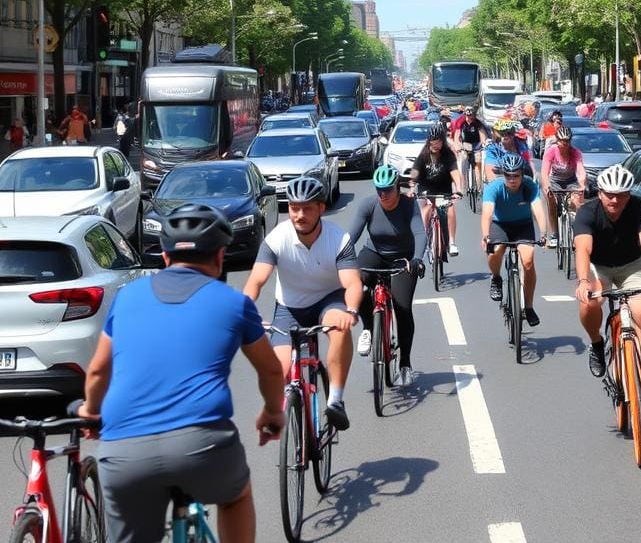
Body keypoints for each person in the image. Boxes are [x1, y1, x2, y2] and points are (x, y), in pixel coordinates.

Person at [79, 204, 285, 543]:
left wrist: (90, 411)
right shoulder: (234, 303)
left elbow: (99, 369)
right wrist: (273, 411)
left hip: (127, 453)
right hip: (202, 446)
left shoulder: (127, 297)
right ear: (220, 257)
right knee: (237, 496)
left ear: (163, 255)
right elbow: (271, 371)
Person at [243, 175, 362, 431]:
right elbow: (255, 281)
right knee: (278, 370)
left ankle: (335, 402)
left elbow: (352, 283)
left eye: (307, 208)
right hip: (289, 308)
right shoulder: (277, 239)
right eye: (294, 208)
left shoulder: (338, 239)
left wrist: (350, 311)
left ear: (321, 208)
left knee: (339, 329)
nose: (299, 215)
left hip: (328, 301)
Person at [573, 164, 641, 414]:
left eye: (622, 195)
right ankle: (597, 343)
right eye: (609, 194)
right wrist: (583, 282)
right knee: (589, 303)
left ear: (629, 195)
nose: (615, 200)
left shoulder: (639, 208)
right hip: (600, 267)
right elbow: (583, 248)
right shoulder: (587, 212)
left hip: (632, 266)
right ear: (600, 193)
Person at [349, 166, 425, 387]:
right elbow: (351, 237)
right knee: (358, 282)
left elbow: (420, 234)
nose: (383, 194)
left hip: (403, 258)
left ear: (397, 188)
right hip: (374, 254)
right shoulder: (368, 205)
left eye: (388, 190)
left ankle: (405, 364)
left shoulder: (409, 206)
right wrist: (341, 259)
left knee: (402, 308)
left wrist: (417, 259)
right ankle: (367, 329)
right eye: (379, 190)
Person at [481, 152, 547, 326]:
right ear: (503, 174)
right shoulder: (493, 187)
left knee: (528, 261)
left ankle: (529, 307)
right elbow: (487, 213)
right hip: (499, 224)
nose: (512, 179)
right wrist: (486, 236)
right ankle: (496, 277)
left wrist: (544, 233)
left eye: (516, 175)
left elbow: (538, 209)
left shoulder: (529, 186)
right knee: (495, 251)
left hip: (523, 225)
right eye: (508, 175)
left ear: (522, 173)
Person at [411, 122, 463, 256]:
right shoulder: (424, 154)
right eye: (432, 141)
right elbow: (415, 171)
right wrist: (412, 185)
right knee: (427, 207)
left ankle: (451, 242)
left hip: (443, 189)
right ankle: (422, 242)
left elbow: (455, 172)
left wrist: (459, 189)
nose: (434, 145)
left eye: (437, 142)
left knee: (449, 208)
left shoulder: (448, 154)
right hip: (426, 188)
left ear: (442, 141)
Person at [539, 125, 586, 247]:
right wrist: (547, 186)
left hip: (571, 181)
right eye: (561, 140)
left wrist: (581, 185)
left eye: (567, 141)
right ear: (556, 139)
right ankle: (554, 233)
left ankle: (576, 232)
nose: (564, 144)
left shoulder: (575, 153)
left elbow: (581, 171)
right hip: (555, 181)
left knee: (576, 202)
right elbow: (544, 172)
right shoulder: (551, 151)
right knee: (552, 201)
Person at [452, 106, 489, 192]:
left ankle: (479, 185)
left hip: (477, 144)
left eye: (470, 116)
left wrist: (484, 142)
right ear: (465, 115)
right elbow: (457, 135)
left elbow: (482, 134)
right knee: (463, 159)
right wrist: (457, 145)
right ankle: (463, 183)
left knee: (478, 161)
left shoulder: (478, 123)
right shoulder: (461, 122)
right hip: (465, 144)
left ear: (473, 115)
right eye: (467, 116)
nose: (468, 118)